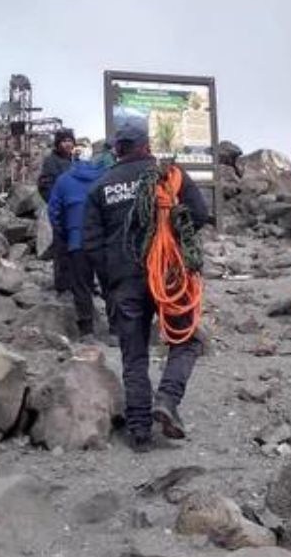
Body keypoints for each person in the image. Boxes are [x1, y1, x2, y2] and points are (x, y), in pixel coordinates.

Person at [83, 121, 209, 452]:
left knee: (134, 353)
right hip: (168, 275)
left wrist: (109, 281)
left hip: (124, 282)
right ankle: (167, 397)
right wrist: (177, 239)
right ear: (146, 145)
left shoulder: (101, 187)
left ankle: (139, 431)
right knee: (188, 338)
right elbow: (199, 213)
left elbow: (91, 244)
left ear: (117, 149)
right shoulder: (170, 175)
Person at [48, 147, 110, 338]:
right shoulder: (106, 178)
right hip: (103, 241)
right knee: (110, 285)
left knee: (81, 285)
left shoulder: (64, 180)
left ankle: (87, 331)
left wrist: (65, 233)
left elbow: (54, 212)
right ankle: (115, 329)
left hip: (77, 241)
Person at [38, 129, 77, 294]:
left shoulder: (75, 161)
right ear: (58, 143)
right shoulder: (51, 161)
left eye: (70, 140)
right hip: (61, 212)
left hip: (75, 213)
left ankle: (77, 282)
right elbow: (44, 186)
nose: (68, 144)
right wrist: (57, 204)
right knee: (61, 248)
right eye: (64, 141)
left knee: (76, 248)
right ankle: (62, 285)